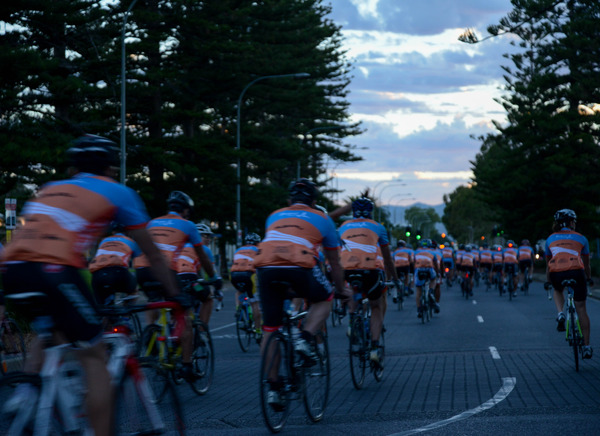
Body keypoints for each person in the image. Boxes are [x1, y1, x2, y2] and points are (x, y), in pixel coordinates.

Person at [0, 134, 179, 436]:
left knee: (51, 334)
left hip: (12, 269)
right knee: (93, 354)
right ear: (110, 168)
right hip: (55, 269)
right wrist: (176, 294)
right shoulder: (118, 192)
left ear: (73, 169)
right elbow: (153, 255)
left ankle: (27, 392)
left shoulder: (49, 189)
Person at [254, 178, 351, 410]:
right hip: (299, 265)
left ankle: (274, 389)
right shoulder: (322, 218)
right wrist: (340, 289)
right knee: (325, 298)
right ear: (314, 202)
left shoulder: (273, 215)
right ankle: (305, 338)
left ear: (289, 200)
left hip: (265, 268)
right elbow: (334, 263)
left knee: (270, 328)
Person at [133, 190, 222, 380]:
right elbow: (203, 259)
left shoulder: (152, 223)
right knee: (186, 314)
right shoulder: (188, 226)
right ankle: (188, 364)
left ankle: (151, 331)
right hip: (179, 278)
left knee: (155, 299)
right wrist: (215, 278)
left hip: (141, 270)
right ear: (186, 211)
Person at [339, 197, 399, 363]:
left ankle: (351, 321)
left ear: (353, 212)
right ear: (370, 212)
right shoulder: (378, 227)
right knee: (376, 306)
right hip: (370, 270)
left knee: (353, 289)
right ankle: (374, 348)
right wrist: (395, 279)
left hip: (347, 269)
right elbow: (387, 260)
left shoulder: (343, 226)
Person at [545, 209, 593, 359]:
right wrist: (588, 278)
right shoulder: (581, 238)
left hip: (557, 272)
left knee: (558, 290)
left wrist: (548, 281)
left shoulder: (550, 239)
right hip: (576, 271)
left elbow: (548, 265)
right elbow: (586, 264)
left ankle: (560, 313)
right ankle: (586, 346)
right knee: (581, 308)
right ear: (572, 223)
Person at [88, 223, 140, 306]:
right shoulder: (130, 241)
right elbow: (137, 258)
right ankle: (126, 314)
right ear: (128, 232)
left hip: (97, 275)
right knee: (134, 290)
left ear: (113, 232)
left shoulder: (104, 241)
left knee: (106, 310)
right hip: (118, 272)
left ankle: (108, 317)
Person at [230, 232, 262, 337]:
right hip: (249, 275)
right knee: (254, 302)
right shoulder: (258, 250)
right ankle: (258, 331)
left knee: (239, 291)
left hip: (234, 275)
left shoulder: (238, 250)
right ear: (258, 243)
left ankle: (239, 311)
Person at [196, 223, 224, 311]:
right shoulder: (205, 249)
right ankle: (202, 325)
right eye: (206, 236)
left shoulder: (184, 246)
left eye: (209, 237)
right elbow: (212, 272)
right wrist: (217, 287)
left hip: (178, 282)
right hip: (194, 284)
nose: (209, 239)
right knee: (208, 298)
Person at [414, 239, 439, 317]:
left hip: (419, 270)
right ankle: (431, 291)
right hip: (429, 269)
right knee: (433, 279)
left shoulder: (416, 252)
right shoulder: (432, 252)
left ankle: (419, 310)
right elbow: (435, 264)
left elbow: (412, 262)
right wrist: (437, 273)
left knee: (418, 290)